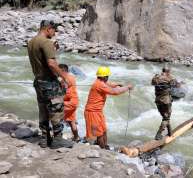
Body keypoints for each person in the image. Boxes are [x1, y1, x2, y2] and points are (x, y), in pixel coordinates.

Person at [27, 20, 73, 149]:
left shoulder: (32, 42)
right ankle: (58, 139)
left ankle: (44, 138)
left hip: (38, 81)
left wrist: (53, 49)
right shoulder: (46, 42)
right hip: (49, 82)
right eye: (54, 30)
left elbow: (40, 59)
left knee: (43, 109)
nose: (55, 33)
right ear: (48, 29)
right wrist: (64, 77)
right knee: (56, 109)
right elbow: (52, 64)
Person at [84, 66, 133, 149]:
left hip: (98, 111)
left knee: (104, 130)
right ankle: (103, 150)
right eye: (107, 76)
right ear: (104, 77)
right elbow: (115, 92)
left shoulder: (100, 82)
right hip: (92, 112)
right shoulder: (99, 85)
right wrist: (127, 87)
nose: (108, 78)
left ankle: (105, 146)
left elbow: (109, 84)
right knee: (99, 134)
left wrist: (117, 84)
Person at [151, 65, 180, 140]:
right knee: (166, 118)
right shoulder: (170, 78)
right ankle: (158, 134)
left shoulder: (156, 77)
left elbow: (152, 83)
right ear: (168, 72)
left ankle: (170, 132)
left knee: (165, 117)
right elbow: (177, 86)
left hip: (158, 100)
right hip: (166, 101)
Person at [59, 64, 80, 142]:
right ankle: (76, 137)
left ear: (63, 71)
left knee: (58, 117)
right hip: (74, 101)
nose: (57, 73)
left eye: (59, 71)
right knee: (71, 121)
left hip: (69, 102)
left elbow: (65, 90)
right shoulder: (72, 77)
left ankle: (58, 136)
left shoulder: (65, 79)